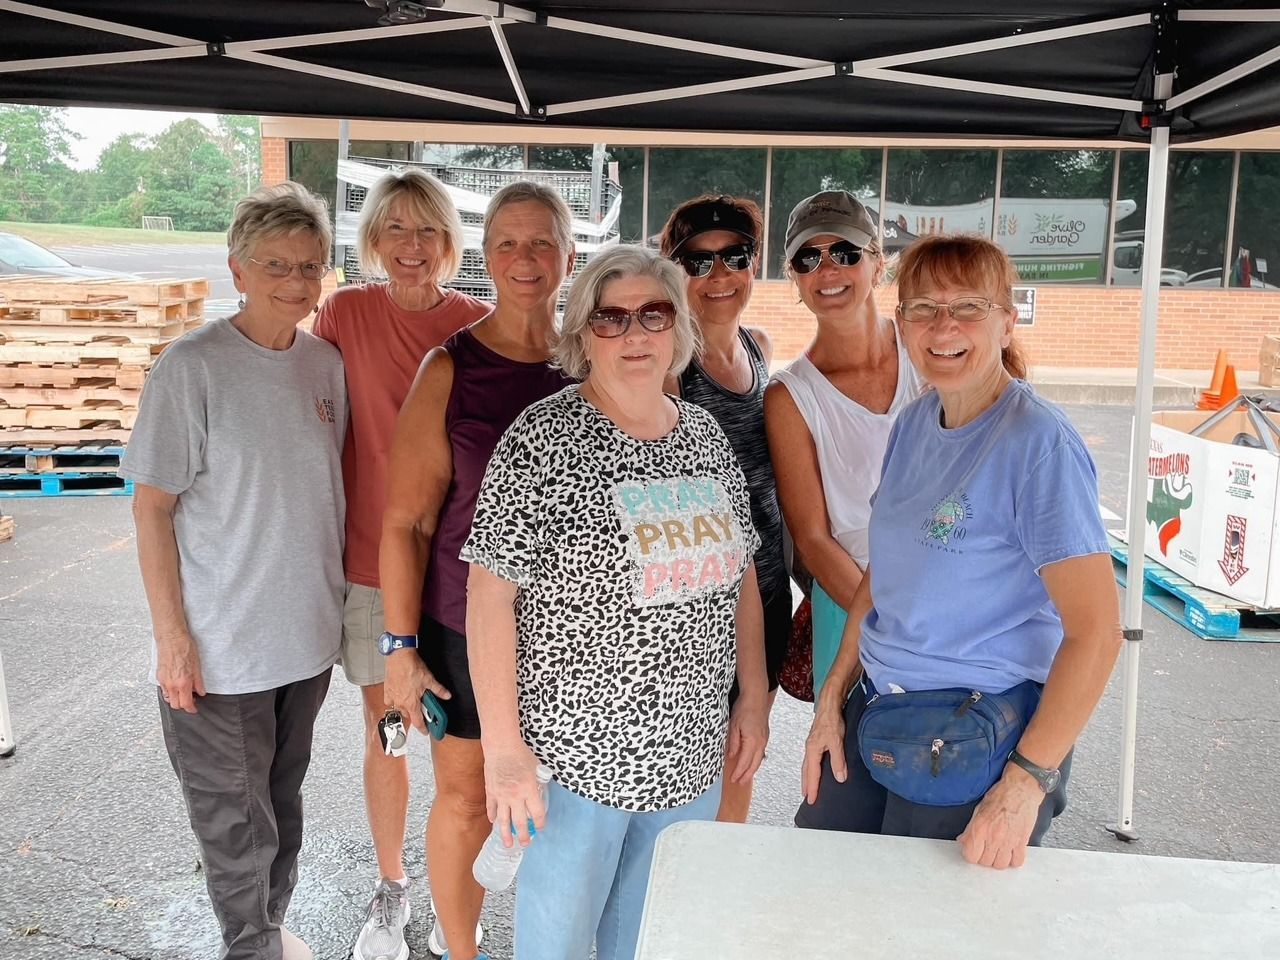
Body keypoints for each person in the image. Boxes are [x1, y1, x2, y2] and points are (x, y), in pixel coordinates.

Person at [463, 245, 768, 960]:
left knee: (651, 943)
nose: (635, 334)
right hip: (574, 768)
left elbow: (743, 575)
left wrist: (751, 696)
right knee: (557, 949)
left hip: (688, 760)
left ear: (678, 328)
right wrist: (504, 754)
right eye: (611, 318)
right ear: (581, 332)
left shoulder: (703, 434)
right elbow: (488, 599)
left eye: (653, 314)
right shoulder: (542, 438)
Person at [798, 234, 1123, 867]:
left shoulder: (1038, 445)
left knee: (927, 925)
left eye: (968, 306)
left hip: (977, 728)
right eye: (922, 308)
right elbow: (884, 575)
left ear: (1006, 322)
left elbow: (1097, 633)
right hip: (880, 707)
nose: (942, 326)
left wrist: (1026, 783)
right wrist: (832, 696)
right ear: (902, 325)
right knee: (823, 888)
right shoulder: (916, 422)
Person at [122, 182, 343, 960]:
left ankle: (269, 934)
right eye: (276, 263)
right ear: (237, 269)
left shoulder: (323, 366)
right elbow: (151, 508)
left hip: (303, 642)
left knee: (280, 805)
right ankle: (251, 946)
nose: (295, 280)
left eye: (311, 264)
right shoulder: (193, 367)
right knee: (234, 824)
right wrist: (172, 639)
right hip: (222, 650)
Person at [379, 181, 577, 960]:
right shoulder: (449, 368)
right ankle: (459, 949)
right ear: (485, 258)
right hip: (463, 626)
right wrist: (400, 647)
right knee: (465, 799)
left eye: (541, 242)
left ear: (568, 255)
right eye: (507, 242)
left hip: (578, 635)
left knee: (567, 805)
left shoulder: (599, 358)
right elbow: (407, 521)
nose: (525, 259)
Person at [312, 168, 488, 960]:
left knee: (467, 750)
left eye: (427, 232)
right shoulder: (344, 313)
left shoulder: (478, 326)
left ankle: (463, 891)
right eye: (395, 231)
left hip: (459, 578)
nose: (411, 248)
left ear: (448, 242)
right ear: (373, 240)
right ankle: (392, 890)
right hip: (373, 569)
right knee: (389, 734)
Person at [765, 190, 925, 700]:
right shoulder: (791, 395)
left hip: (953, 597)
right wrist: (883, 623)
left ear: (878, 264)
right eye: (808, 258)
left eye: (846, 253)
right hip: (853, 603)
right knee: (847, 765)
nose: (828, 269)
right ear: (794, 277)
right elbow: (812, 539)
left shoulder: (929, 348)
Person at [658, 194, 785, 823]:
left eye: (733, 257)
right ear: (672, 269)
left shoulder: (758, 347)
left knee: (743, 757)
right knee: (695, 776)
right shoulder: (670, 368)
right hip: (706, 607)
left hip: (768, 588)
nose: (718, 275)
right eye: (697, 261)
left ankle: (716, 891)